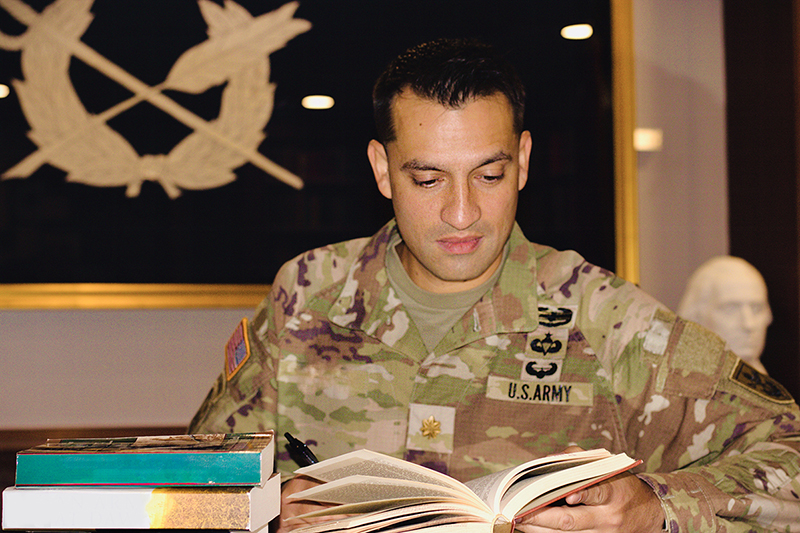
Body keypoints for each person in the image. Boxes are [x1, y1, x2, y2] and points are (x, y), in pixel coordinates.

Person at [189, 38, 800, 532]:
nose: (462, 214)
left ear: (524, 161)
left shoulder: (608, 320)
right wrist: (265, 508)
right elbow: (197, 480)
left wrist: (655, 507)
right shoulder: (306, 295)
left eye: (489, 174)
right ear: (382, 169)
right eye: (428, 180)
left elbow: (790, 450)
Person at [678, 256, 772, 374]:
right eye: (730, 309)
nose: (748, 324)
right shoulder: (676, 386)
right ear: (696, 317)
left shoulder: (767, 386)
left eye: (756, 309)